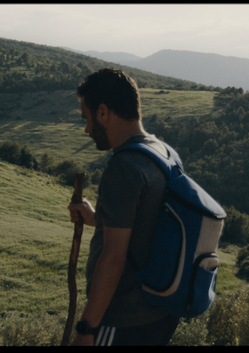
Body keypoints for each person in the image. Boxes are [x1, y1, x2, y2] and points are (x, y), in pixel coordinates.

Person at [67, 68, 180, 346]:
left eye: (87, 118)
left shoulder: (124, 167)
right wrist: (97, 218)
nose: (87, 129)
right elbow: (145, 223)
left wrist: (86, 329)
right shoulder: (163, 152)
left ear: (103, 112)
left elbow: (114, 258)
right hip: (159, 314)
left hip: (123, 319)